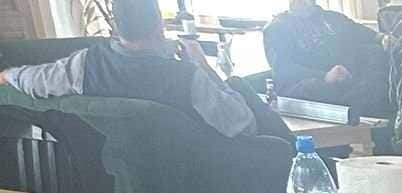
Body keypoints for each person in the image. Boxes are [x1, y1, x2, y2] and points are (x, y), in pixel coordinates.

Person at [0, 0, 256, 138]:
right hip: (199, 176)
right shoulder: (186, 76)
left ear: (115, 26)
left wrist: (8, 75)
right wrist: (203, 65)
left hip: (116, 183)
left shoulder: (85, 64)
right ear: (159, 24)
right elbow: (242, 125)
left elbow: (35, 80)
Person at [263, 0, 391, 110]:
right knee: (316, 87)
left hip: (346, 77)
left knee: (375, 54)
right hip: (308, 83)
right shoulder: (276, 28)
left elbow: (359, 31)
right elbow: (283, 69)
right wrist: (325, 76)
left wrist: (382, 38)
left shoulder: (333, 18)